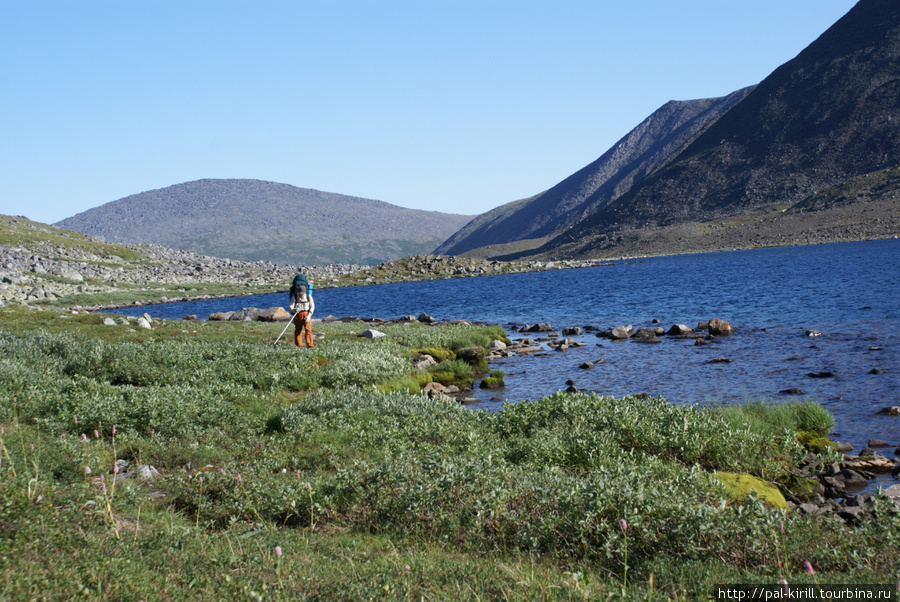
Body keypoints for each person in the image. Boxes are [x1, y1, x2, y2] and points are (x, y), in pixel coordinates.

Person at [289, 274, 315, 348]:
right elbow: (290, 307)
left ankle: (310, 345)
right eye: (300, 294)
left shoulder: (308, 297)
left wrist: (309, 315)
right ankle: (299, 344)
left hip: (307, 314)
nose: (300, 296)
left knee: (308, 330)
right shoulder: (294, 297)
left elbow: (312, 307)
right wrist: (293, 310)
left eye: (302, 294)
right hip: (298, 315)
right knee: (298, 330)